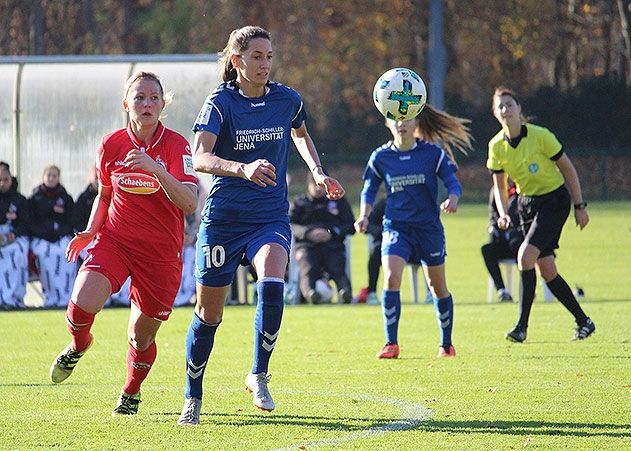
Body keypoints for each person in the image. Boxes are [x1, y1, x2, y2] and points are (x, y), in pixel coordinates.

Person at [178, 25, 345, 425]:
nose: (265, 64)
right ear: (237, 61)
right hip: (223, 219)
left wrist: (318, 172)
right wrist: (243, 167)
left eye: (269, 57)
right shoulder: (221, 101)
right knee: (209, 313)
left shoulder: (287, 99)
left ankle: (258, 373)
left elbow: (301, 134)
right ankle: (193, 396)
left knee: (274, 279)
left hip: (268, 216)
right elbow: (198, 157)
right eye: (256, 57)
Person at [48, 71, 198, 416]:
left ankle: (131, 392)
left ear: (163, 104)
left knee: (140, 338)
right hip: (115, 241)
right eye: (140, 97)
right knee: (80, 304)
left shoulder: (177, 146)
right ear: (126, 103)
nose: (147, 104)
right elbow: (104, 194)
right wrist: (90, 231)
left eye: (154, 98)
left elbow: (189, 203)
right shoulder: (111, 144)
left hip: (161, 254)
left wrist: (156, 169)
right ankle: (78, 345)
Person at [354, 104, 473, 359]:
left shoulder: (432, 153)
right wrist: (363, 216)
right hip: (396, 226)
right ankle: (391, 343)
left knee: (437, 286)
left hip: (428, 228)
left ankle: (446, 344)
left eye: (406, 118)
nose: (401, 123)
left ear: (416, 121)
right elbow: (369, 190)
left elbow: (453, 182)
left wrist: (453, 198)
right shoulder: (380, 157)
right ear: (387, 122)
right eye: (395, 118)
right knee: (391, 278)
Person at [487, 86, 595, 342]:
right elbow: (500, 187)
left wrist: (580, 206)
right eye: (500, 106)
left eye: (510, 104)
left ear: (519, 108)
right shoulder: (496, 146)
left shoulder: (540, 136)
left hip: (554, 201)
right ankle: (584, 321)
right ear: (495, 113)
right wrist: (503, 214)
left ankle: (521, 327)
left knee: (525, 255)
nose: (506, 109)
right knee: (546, 269)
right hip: (527, 205)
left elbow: (568, 170)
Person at [289, 174, 355, 304]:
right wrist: (307, 233)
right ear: (308, 185)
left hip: (332, 245)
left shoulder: (338, 202)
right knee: (308, 265)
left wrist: (332, 233)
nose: (318, 189)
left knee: (337, 265)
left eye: (321, 186)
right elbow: (289, 225)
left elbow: (350, 225)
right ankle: (310, 294)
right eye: (315, 185)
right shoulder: (300, 203)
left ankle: (345, 292)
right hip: (307, 246)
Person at [27, 165, 76, 308]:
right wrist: (45, 232)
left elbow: (71, 222)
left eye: (54, 175)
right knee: (45, 255)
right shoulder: (35, 198)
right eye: (48, 175)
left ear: (59, 178)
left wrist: (59, 232)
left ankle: (66, 297)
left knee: (66, 254)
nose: (51, 178)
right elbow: (30, 223)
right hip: (41, 239)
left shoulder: (65, 197)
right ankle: (50, 297)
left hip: (61, 238)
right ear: (43, 177)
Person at [480, 182, 523, 302]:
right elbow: (492, 216)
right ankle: (502, 291)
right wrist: (493, 229)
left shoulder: (522, 189)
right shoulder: (496, 191)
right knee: (487, 250)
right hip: (502, 241)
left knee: (517, 245)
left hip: (519, 241)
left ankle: (525, 288)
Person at [0, 163, 30, 310]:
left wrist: (13, 235)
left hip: (16, 239)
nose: (2, 183)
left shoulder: (19, 200)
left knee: (16, 253)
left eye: (5, 179)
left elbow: (25, 224)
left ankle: (12, 299)